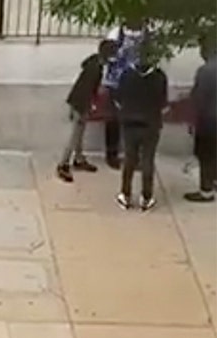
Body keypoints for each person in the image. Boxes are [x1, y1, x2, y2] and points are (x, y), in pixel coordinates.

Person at [114, 42, 169, 211]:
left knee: (129, 159)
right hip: (151, 123)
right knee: (148, 160)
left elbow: (118, 100)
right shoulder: (159, 76)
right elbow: (163, 103)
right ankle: (146, 196)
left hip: (130, 122)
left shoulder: (126, 75)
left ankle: (125, 194)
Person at [57, 38, 117, 182]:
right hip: (81, 103)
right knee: (75, 136)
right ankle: (63, 164)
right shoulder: (96, 69)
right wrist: (88, 106)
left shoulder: (93, 62)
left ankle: (78, 159)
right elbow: (87, 90)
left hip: (77, 101)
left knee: (79, 133)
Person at [101, 23, 146, 169]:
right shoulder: (116, 33)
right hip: (116, 83)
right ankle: (112, 155)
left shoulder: (147, 34)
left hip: (137, 84)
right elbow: (105, 54)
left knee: (135, 121)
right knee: (113, 121)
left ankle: (134, 156)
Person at [184, 39, 217, 203]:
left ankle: (206, 191)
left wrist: (192, 122)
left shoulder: (205, 71)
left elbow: (199, 99)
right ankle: (213, 181)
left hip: (209, 121)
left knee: (206, 156)